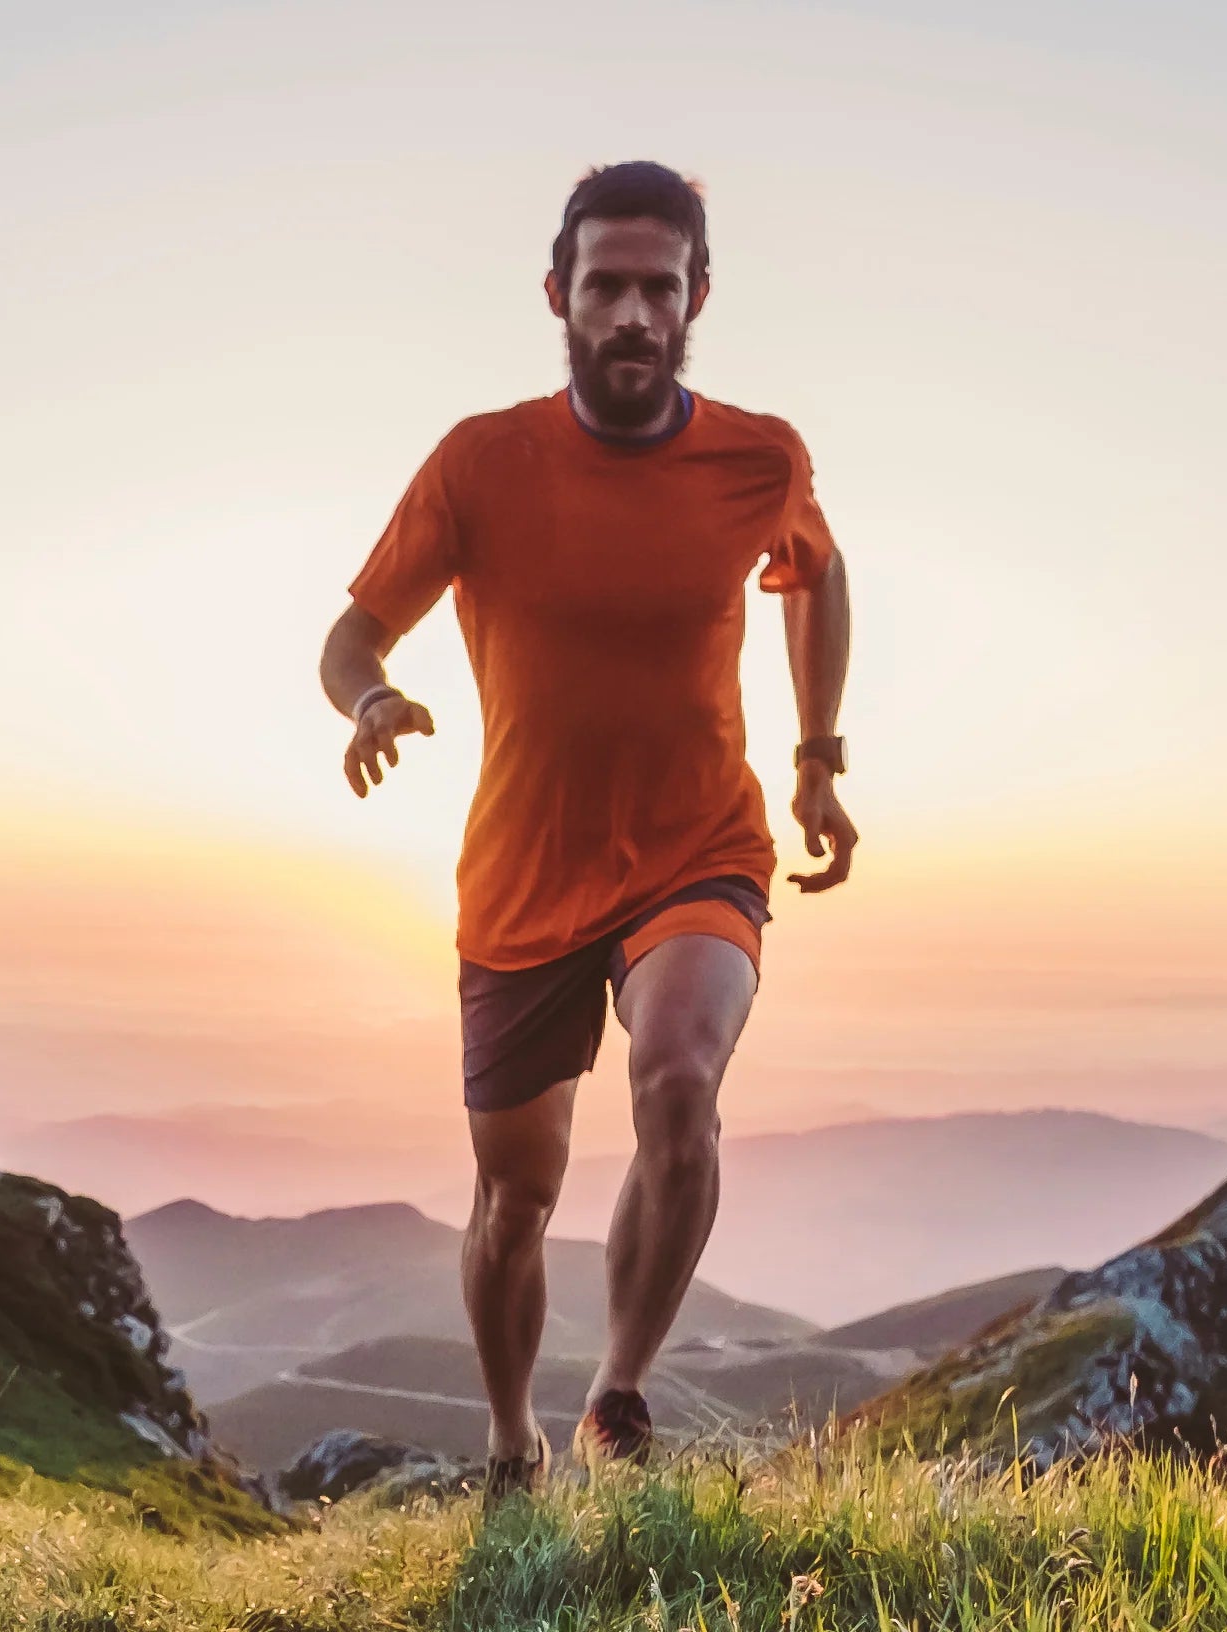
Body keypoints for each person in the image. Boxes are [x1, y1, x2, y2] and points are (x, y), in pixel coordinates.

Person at [315, 160, 855, 1481]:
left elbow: (817, 576)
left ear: (697, 301)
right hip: (521, 881)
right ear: (558, 294)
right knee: (515, 1202)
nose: (630, 314)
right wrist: (373, 699)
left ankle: (619, 1390)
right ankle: (514, 1442)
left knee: (679, 1083)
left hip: (701, 853)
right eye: (604, 286)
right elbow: (351, 634)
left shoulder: (758, 457)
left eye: (656, 289)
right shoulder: (482, 462)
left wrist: (818, 758)